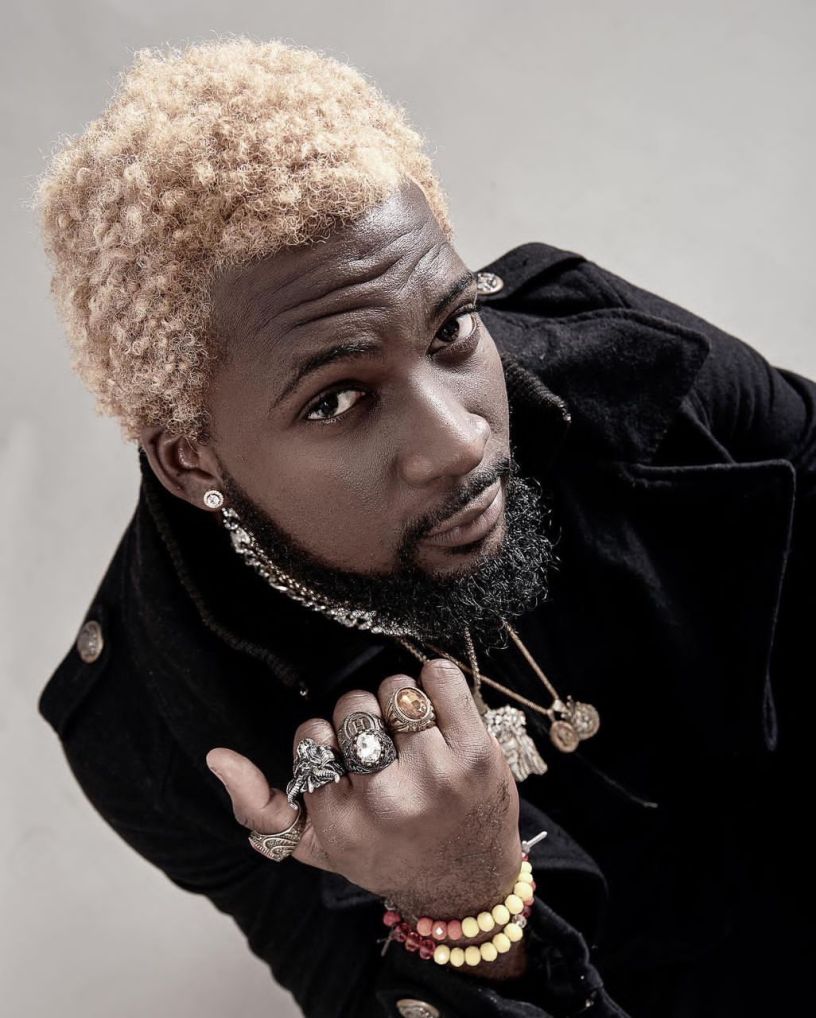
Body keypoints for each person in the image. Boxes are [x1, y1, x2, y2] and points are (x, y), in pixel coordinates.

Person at [33, 37, 812, 1018]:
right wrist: (464, 902)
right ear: (194, 461)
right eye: (336, 399)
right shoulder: (160, 731)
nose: (460, 440)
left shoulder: (617, 352)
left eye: (450, 330)